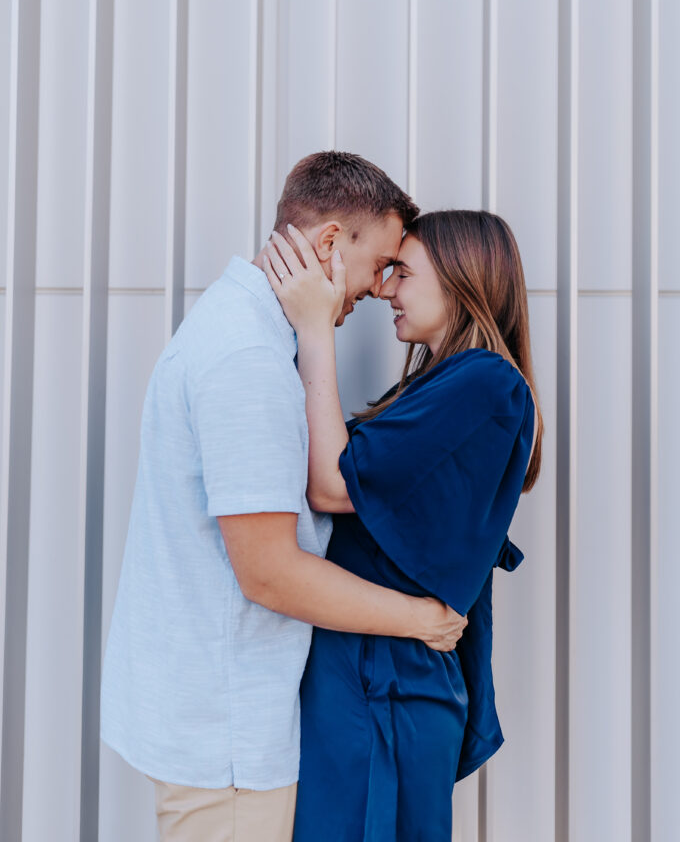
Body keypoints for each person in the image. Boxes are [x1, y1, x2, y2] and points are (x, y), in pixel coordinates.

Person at [100, 152, 467, 842]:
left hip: (211, 712)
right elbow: (268, 570)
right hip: (227, 736)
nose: (381, 287)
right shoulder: (248, 362)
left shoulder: (240, 330)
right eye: (381, 262)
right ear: (330, 243)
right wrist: (420, 620)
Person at [263, 209, 543, 842]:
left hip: (385, 679)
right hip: (370, 668)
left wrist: (315, 330)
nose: (385, 288)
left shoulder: (485, 382)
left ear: (459, 279)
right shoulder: (442, 384)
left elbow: (334, 485)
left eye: (403, 273)